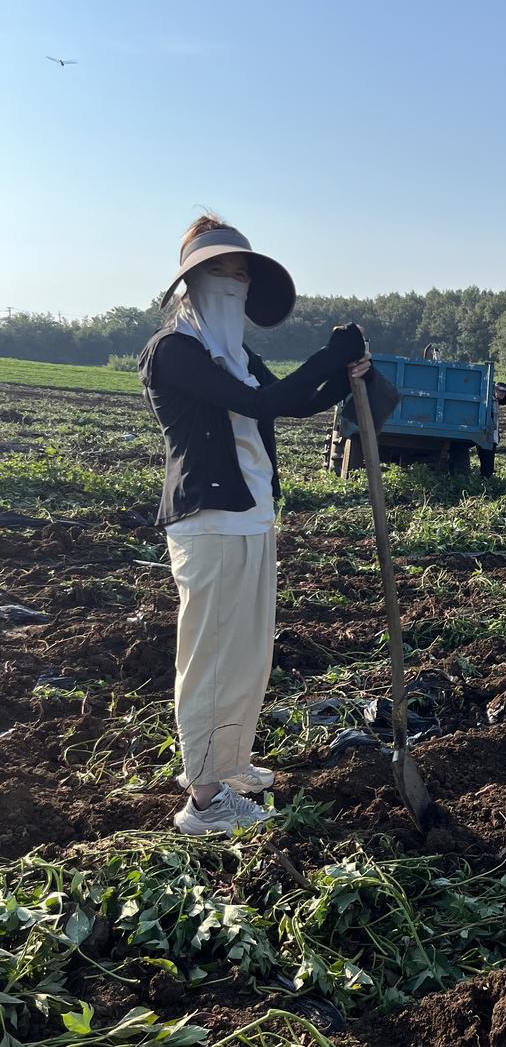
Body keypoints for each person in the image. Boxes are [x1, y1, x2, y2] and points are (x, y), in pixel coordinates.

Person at [139, 214, 394, 835]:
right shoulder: (175, 351)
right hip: (209, 522)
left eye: (240, 278)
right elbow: (261, 404)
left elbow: (290, 400)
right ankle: (203, 800)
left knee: (247, 654)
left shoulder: (240, 355)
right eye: (221, 275)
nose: (233, 287)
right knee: (210, 657)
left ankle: (228, 764)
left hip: (253, 516)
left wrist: (341, 371)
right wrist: (324, 358)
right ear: (191, 284)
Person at [477, 380, 506, 477]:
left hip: (492, 437)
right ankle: (484, 479)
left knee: (489, 460)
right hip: (487, 436)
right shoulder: (490, 401)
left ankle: (486, 479)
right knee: (486, 460)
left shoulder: (496, 402)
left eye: (504, 392)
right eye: (500, 391)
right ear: (494, 390)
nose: (503, 393)